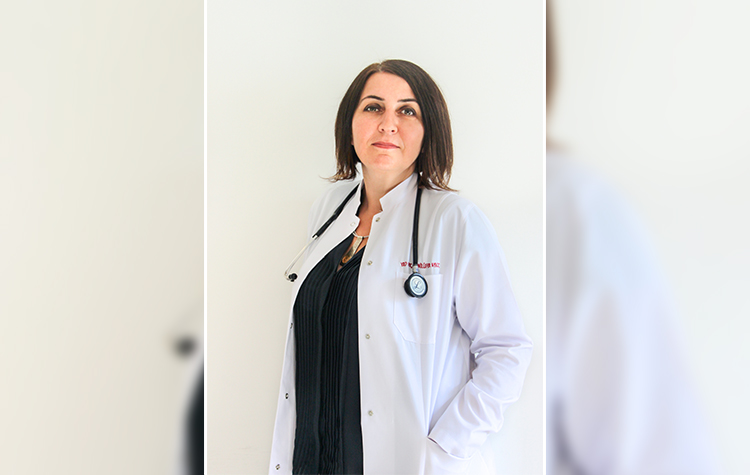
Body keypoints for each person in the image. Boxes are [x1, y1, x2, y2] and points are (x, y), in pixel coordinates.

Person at [269, 59, 532, 475]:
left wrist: (449, 443)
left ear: (429, 131)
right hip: (312, 458)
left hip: (407, 461)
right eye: (373, 107)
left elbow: (506, 348)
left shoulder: (455, 221)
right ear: (350, 124)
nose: (388, 124)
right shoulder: (328, 210)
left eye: (407, 111)